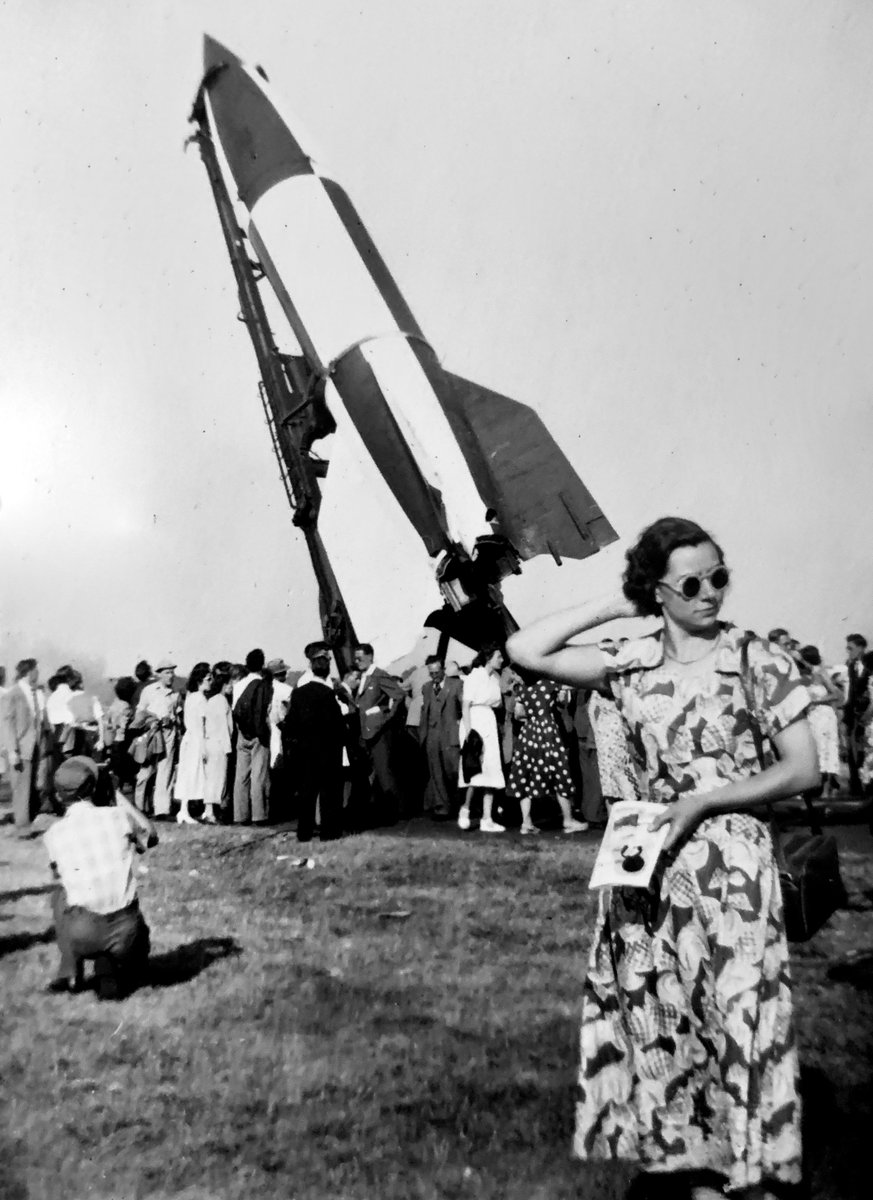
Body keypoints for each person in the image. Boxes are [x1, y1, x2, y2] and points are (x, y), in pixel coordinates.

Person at [507, 516, 818, 1200]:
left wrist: (707, 802)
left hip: (732, 864)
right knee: (663, 1013)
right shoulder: (632, 659)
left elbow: (802, 770)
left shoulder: (754, 658)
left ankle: (754, 1171)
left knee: (742, 1015)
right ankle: (693, 1164)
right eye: (691, 581)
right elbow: (525, 649)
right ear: (658, 589)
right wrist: (618, 605)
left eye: (718, 576)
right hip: (650, 869)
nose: (709, 592)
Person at [43, 756, 156, 999]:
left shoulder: (54, 834)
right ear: (93, 787)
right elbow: (150, 836)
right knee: (124, 907)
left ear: (60, 795)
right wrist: (117, 794)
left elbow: (58, 874)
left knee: (60, 896)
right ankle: (111, 965)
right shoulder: (117, 818)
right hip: (127, 935)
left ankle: (71, 972)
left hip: (82, 934)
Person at [283, 642, 347, 842]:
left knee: (306, 793)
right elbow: (337, 724)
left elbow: (290, 723)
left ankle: (304, 832)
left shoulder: (299, 692)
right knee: (329, 793)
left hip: (304, 749)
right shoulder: (328, 694)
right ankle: (329, 832)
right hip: (327, 750)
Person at [508, 675, 588, 834]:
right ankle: (568, 820)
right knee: (560, 772)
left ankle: (526, 822)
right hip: (548, 731)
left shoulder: (521, 688)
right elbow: (569, 688)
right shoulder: (549, 684)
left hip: (529, 732)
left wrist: (533, 717)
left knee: (526, 773)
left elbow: (518, 714)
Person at [353, 643, 406, 826]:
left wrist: (385, 716)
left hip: (379, 732)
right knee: (373, 772)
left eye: (360, 658)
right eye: (355, 658)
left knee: (384, 771)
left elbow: (398, 695)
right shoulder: (364, 676)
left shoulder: (378, 675)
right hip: (366, 731)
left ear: (370, 657)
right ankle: (382, 809)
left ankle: (395, 812)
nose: (356, 661)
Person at [457, 644, 507, 833]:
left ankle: (487, 819)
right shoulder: (474, 676)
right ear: (488, 658)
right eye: (499, 656)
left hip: (489, 722)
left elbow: (497, 703)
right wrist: (470, 732)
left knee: (491, 770)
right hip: (475, 723)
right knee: (475, 769)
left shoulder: (494, 678)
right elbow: (465, 706)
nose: (502, 660)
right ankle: (465, 809)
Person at [0, 658, 52, 836]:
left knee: (31, 788)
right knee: (21, 788)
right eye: (36, 670)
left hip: (34, 747)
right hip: (21, 749)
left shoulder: (35, 693)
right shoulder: (13, 694)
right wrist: (13, 750)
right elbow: (7, 724)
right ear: (29, 671)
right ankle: (22, 828)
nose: (38, 673)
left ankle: (27, 822)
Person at [131, 658, 181, 817]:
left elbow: (178, 715)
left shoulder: (175, 694)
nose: (171, 676)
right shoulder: (149, 691)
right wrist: (149, 722)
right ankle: (138, 807)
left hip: (169, 732)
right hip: (152, 733)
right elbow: (139, 712)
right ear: (159, 674)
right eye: (167, 672)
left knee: (166, 770)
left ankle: (162, 810)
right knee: (146, 769)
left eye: (172, 672)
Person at [418, 655, 462, 820]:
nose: (434, 676)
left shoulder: (456, 685)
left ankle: (459, 804)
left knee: (453, 771)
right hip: (432, 735)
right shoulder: (426, 688)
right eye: (431, 673)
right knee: (436, 772)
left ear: (443, 669)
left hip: (450, 734)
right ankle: (442, 808)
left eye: (437, 672)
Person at [232, 648, 272, 824]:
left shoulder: (239, 685)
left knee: (241, 775)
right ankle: (259, 814)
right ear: (262, 664)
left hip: (242, 732)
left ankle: (240, 814)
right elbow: (268, 711)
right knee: (258, 774)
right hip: (258, 733)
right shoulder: (264, 685)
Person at [797, 644, 843, 797]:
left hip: (823, 714)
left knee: (826, 748)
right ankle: (814, 787)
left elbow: (836, 694)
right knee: (816, 748)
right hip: (812, 716)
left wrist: (816, 701)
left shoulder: (820, 673)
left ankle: (826, 789)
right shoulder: (805, 675)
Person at [173, 663, 212, 825]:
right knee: (194, 774)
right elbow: (203, 725)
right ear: (200, 680)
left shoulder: (190, 697)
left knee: (187, 774)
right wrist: (204, 746)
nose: (210, 682)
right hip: (196, 739)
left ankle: (184, 810)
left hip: (189, 739)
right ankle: (187, 811)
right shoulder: (201, 699)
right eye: (208, 679)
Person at [204, 663, 233, 824]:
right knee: (219, 778)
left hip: (211, 742)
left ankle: (209, 810)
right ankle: (213, 811)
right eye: (229, 684)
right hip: (219, 744)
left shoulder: (213, 700)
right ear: (223, 685)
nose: (231, 687)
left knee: (212, 777)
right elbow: (223, 726)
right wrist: (228, 748)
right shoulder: (221, 701)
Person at [843, 633, 869, 795]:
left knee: (864, 748)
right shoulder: (850, 665)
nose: (848, 651)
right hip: (852, 713)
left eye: (850, 648)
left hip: (865, 712)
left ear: (861, 648)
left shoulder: (869, 665)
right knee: (851, 748)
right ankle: (855, 783)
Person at [104, 676, 138, 791]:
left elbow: (108, 721)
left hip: (114, 740)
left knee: (117, 769)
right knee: (127, 768)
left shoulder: (114, 704)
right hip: (123, 740)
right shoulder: (126, 707)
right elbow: (125, 725)